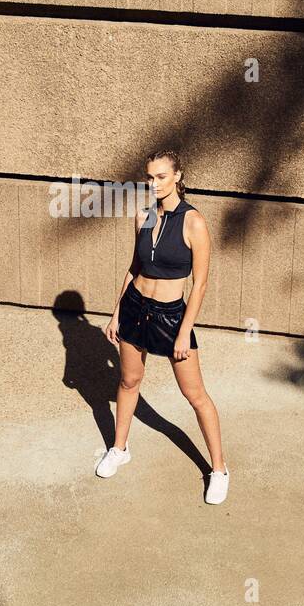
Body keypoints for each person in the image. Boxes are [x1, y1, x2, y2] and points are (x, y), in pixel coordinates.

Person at [96, 149, 229, 504]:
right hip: (135, 307)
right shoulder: (143, 217)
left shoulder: (194, 222)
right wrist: (115, 313)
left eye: (160, 177)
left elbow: (199, 284)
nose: (153, 184)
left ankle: (219, 469)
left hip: (171, 316)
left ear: (178, 177)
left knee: (195, 394)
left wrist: (185, 330)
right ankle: (119, 448)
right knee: (128, 380)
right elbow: (134, 268)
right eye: (149, 177)